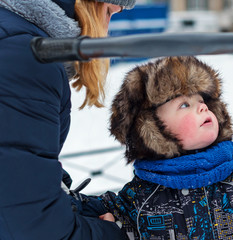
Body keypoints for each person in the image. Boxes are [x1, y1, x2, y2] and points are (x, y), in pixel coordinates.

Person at [91, 56, 233, 239]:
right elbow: (76, 211)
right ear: (150, 127)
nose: (202, 108)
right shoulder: (137, 199)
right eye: (184, 104)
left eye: (203, 102)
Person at [0, 0, 135, 239]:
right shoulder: (26, 56)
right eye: (109, 12)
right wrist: (120, 234)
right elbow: (33, 225)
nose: (106, 27)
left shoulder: (11, 35)